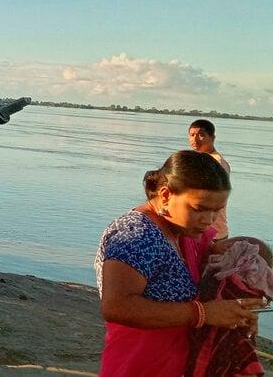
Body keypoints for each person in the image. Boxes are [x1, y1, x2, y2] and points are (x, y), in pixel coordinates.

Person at [94, 150, 263, 376]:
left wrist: (235, 310)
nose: (209, 220)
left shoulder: (185, 232)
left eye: (216, 210)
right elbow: (116, 306)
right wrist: (204, 313)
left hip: (177, 364)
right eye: (199, 209)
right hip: (138, 365)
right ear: (165, 195)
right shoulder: (136, 235)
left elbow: (197, 274)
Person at [187, 119, 232, 239]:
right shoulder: (201, 159)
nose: (195, 139)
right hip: (204, 229)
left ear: (212, 137)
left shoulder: (215, 163)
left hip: (211, 232)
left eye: (201, 135)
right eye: (192, 135)